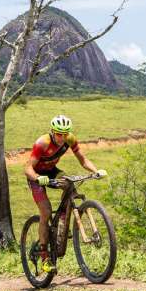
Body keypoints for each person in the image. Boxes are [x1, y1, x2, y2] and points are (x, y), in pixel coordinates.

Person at [24, 114, 105, 271]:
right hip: (36, 176)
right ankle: (44, 257)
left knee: (69, 185)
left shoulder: (70, 139)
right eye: (59, 134)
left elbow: (83, 160)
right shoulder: (42, 143)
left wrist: (96, 171)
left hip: (52, 171)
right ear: (53, 132)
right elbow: (27, 168)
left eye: (65, 133)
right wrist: (38, 178)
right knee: (46, 212)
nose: (62, 137)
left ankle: (62, 220)